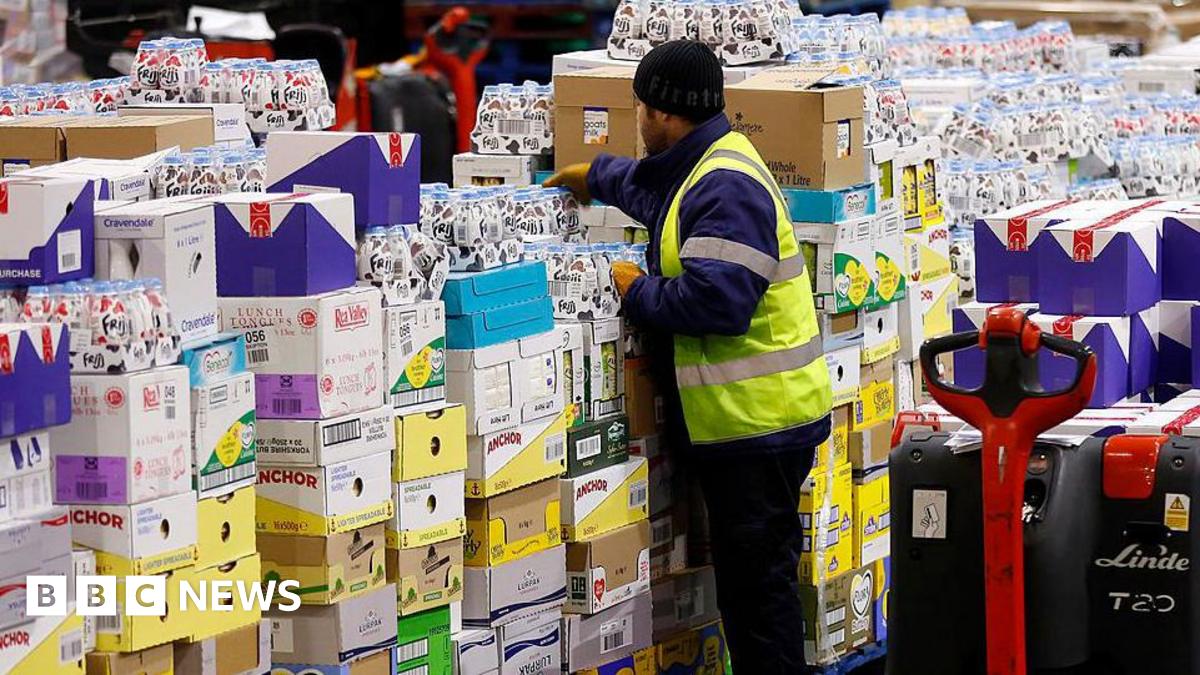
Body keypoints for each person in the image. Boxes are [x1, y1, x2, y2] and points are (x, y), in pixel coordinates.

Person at [545, 39, 833, 674]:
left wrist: (636, 289)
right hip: (751, 423)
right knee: (753, 584)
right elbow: (660, 198)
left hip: (758, 425)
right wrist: (596, 176)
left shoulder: (726, 187)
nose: (638, 120)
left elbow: (717, 303)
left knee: (757, 595)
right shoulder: (705, 166)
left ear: (665, 114)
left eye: (641, 107)